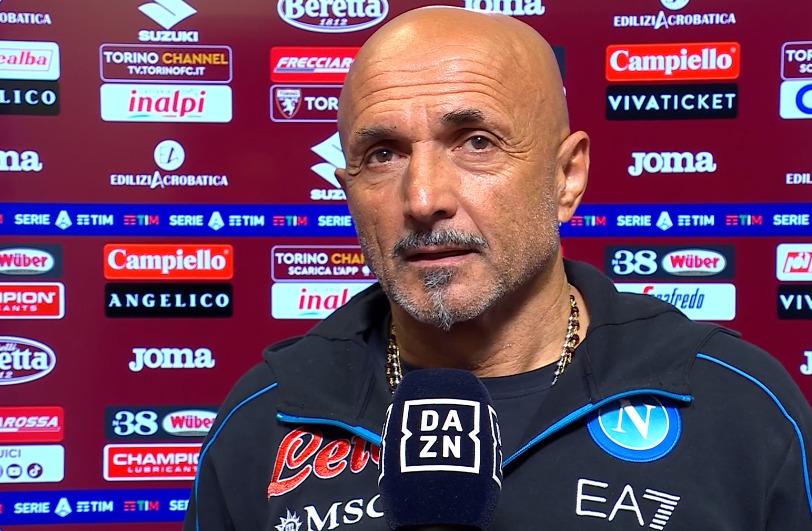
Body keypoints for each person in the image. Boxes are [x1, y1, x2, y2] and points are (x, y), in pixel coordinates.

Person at [185, 7, 812, 530]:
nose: (423, 198)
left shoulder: (739, 408)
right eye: (382, 154)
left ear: (566, 177)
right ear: (348, 191)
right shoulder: (265, 419)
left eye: (476, 142)